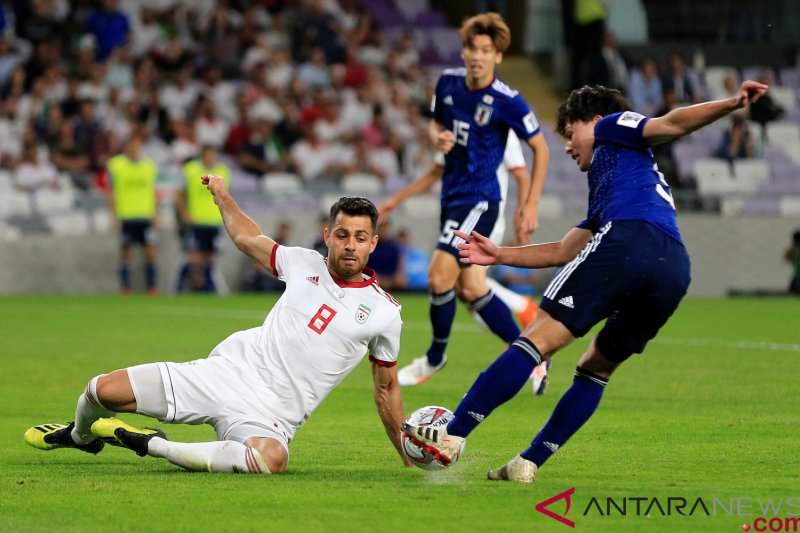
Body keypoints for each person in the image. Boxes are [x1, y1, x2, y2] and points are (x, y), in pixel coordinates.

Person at [403, 80, 768, 482]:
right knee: (596, 367)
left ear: (594, 121)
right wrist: (500, 254)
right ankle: (528, 463)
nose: (567, 145)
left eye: (571, 132)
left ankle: (451, 435)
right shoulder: (622, 180)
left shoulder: (612, 125)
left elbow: (672, 124)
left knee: (536, 340)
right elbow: (564, 249)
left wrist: (732, 103)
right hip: (674, 267)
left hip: (629, 239)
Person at [24, 191, 411, 473]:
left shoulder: (384, 312)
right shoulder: (301, 262)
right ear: (327, 235)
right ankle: (79, 436)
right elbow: (247, 238)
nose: (350, 245)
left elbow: (386, 389)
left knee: (270, 460)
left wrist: (406, 453)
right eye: (342, 234)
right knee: (100, 390)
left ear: (373, 243)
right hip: (225, 375)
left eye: (360, 238)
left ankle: (146, 442)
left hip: (270, 417)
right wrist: (223, 196)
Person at [379, 13, 549, 387]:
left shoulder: (509, 101)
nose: (477, 56)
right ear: (464, 51)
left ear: (498, 57)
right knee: (471, 288)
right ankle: (533, 354)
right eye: (472, 48)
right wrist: (434, 135)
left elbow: (540, 148)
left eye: (486, 50)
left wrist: (530, 203)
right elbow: (435, 123)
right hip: (451, 199)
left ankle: (434, 358)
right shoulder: (448, 82)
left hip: (481, 201)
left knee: (439, 275)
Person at [106, 135, 159, 295]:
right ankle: (126, 289)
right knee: (126, 253)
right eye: (132, 146)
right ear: (126, 148)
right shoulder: (116, 165)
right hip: (126, 216)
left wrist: (155, 213)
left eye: (137, 146)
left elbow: (152, 191)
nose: (134, 150)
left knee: (150, 252)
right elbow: (111, 192)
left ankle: (152, 288)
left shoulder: (149, 166)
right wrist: (112, 214)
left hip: (145, 216)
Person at [175, 145, 231, 293]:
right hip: (196, 221)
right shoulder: (191, 170)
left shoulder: (222, 172)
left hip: (214, 221)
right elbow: (180, 194)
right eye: (207, 155)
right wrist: (184, 213)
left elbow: (225, 197)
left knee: (209, 256)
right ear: (202, 155)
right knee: (193, 255)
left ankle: (205, 288)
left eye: (212, 155)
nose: (210, 158)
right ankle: (180, 287)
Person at [785, 229, 800, 295]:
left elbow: (786, 259)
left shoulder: (794, 249)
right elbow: (786, 258)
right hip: (797, 276)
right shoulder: (793, 249)